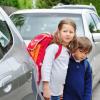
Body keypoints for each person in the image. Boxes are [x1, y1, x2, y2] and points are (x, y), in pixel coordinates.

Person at [41, 18, 77, 100]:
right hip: (49, 92)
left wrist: (61, 90)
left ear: (74, 34)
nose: (68, 34)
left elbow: (62, 71)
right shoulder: (54, 47)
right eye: (65, 31)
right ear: (59, 32)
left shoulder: (68, 50)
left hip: (57, 92)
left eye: (71, 32)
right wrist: (46, 88)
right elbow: (46, 67)